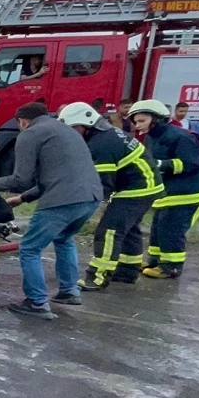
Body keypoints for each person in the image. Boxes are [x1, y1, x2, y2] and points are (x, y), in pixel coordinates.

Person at [0, 102, 102, 319]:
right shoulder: (66, 131)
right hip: (91, 197)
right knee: (64, 239)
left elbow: (21, 179)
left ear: (22, 121)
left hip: (62, 200)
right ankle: (69, 291)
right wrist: (22, 199)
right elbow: (52, 176)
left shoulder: (29, 134)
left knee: (29, 248)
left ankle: (37, 302)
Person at [58, 102, 164, 291]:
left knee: (109, 231)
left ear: (86, 124)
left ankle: (98, 277)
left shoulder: (101, 144)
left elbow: (101, 183)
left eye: (73, 128)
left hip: (137, 188)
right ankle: (127, 271)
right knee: (128, 229)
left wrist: (85, 207)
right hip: (146, 185)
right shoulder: (104, 136)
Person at [129, 99, 199, 279]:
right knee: (158, 226)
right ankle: (156, 260)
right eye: (136, 122)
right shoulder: (153, 136)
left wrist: (161, 164)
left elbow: (190, 163)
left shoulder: (183, 137)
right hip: (170, 191)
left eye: (142, 121)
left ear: (157, 119)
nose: (138, 126)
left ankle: (171, 267)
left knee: (171, 228)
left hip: (190, 192)